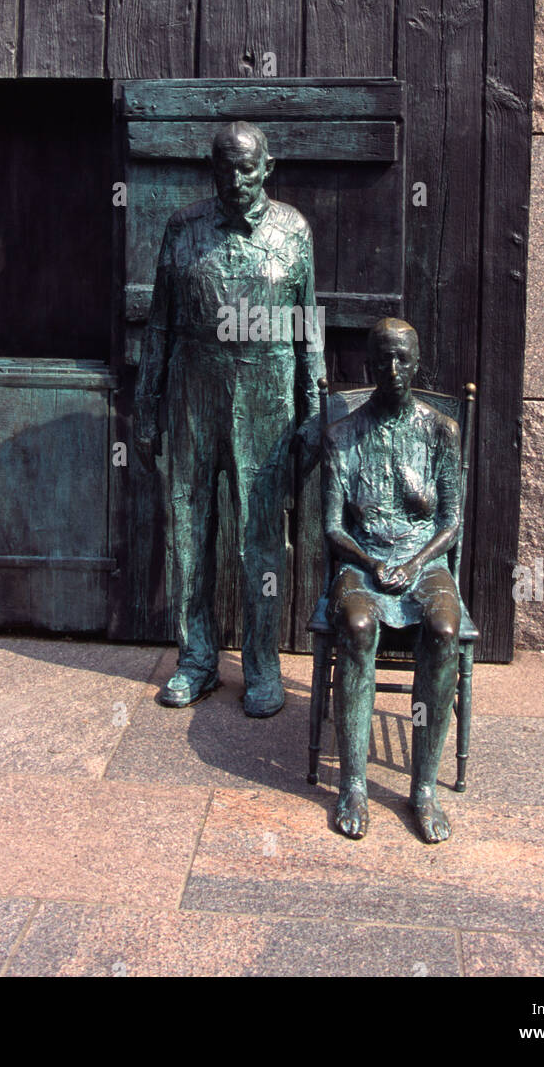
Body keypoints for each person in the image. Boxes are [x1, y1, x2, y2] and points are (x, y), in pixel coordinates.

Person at [134, 119, 325, 717]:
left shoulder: (294, 229)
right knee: (189, 528)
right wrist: (147, 404)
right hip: (195, 386)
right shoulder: (182, 228)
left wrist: (314, 404)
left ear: (268, 168)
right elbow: (160, 322)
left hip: (268, 391)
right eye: (226, 167)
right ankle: (196, 659)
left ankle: (263, 664)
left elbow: (306, 324)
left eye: (248, 167)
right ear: (211, 170)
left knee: (261, 537)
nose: (237, 178)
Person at [322, 317, 462, 841]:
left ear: (417, 361)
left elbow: (450, 522)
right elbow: (332, 527)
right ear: (369, 364)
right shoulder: (343, 436)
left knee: (445, 632)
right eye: (383, 359)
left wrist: (414, 562)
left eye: (402, 358)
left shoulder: (440, 432)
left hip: (425, 562)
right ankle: (353, 783)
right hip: (362, 561)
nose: (393, 369)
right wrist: (373, 561)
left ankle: (422, 789)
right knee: (357, 625)